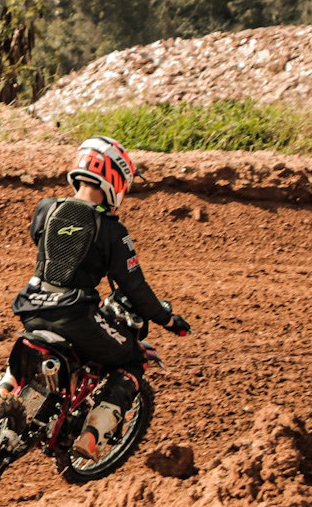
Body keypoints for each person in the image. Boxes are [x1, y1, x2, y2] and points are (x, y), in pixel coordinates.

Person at [12, 135, 190, 461]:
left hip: (31, 305)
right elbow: (136, 289)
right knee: (133, 360)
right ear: (114, 178)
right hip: (75, 316)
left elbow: (43, 242)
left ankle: (8, 390)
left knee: (39, 342)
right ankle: (92, 435)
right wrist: (168, 319)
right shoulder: (111, 230)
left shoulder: (46, 208)